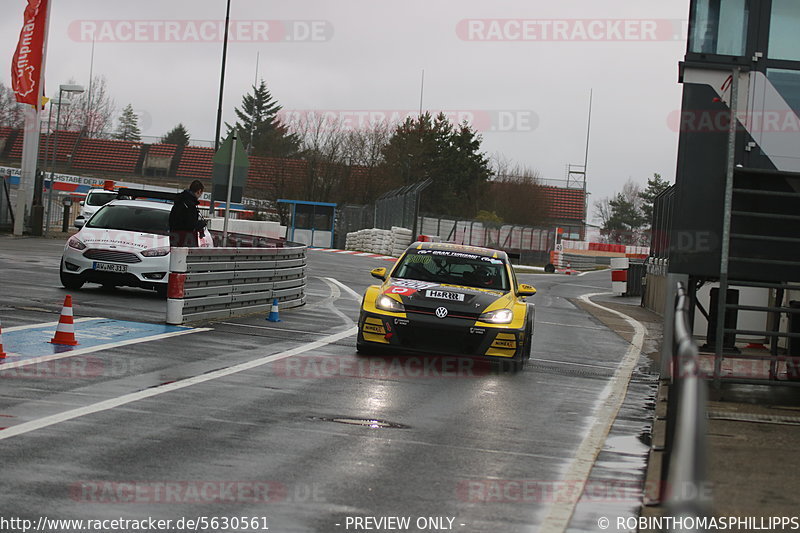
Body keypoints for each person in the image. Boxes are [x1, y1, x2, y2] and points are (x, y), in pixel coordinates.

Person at [169, 180, 207, 247]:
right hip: (186, 240)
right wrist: (201, 224)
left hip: (174, 238)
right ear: (199, 191)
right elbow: (190, 225)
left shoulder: (179, 201)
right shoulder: (190, 205)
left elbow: (171, 220)